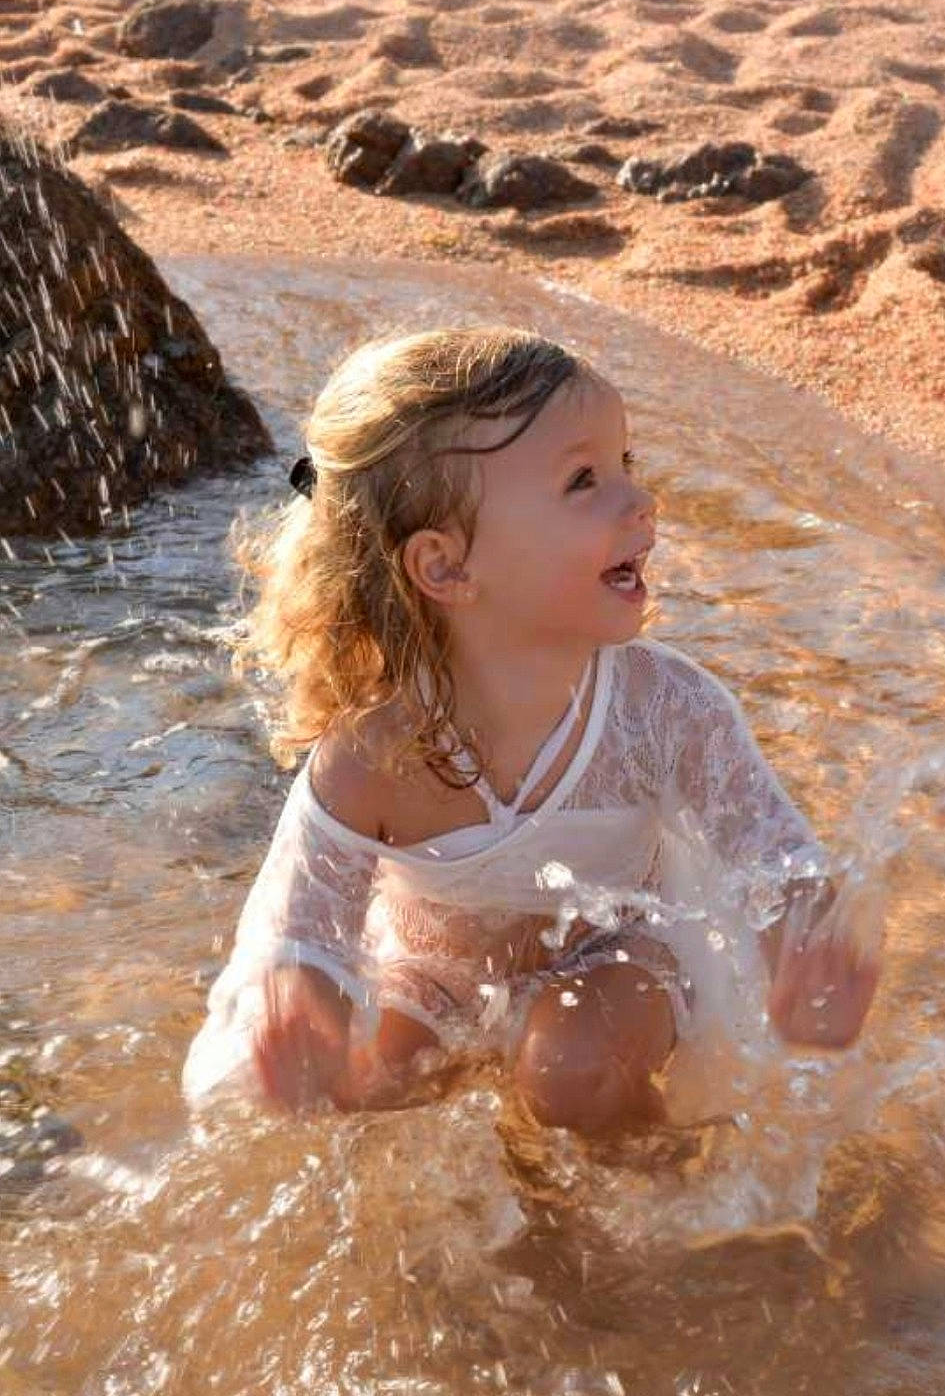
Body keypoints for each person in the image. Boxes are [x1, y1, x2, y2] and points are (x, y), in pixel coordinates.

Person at [183, 328, 882, 1135]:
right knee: (359, 1097)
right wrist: (301, 996)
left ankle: (668, 1219)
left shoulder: (663, 707)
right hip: (435, 974)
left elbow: (773, 852)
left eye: (628, 464)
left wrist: (806, 933)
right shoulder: (376, 750)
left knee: (569, 1071)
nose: (640, 501)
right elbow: (299, 918)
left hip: (621, 951)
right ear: (445, 568)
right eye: (584, 479)